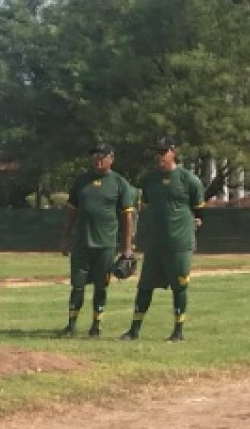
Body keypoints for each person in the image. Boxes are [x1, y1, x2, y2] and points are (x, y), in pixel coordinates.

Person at [120, 137, 205, 342]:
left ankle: (178, 331)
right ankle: (134, 330)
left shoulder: (188, 179)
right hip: (155, 243)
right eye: (157, 152)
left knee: (179, 286)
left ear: (173, 152)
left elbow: (200, 210)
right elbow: (145, 205)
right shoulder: (149, 179)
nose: (159, 156)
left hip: (179, 243)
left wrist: (194, 226)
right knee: (145, 286)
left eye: (163, 152)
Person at [59, 143, 136, 338]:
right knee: (77, 284)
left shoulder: (119, 183)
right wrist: (65, 238)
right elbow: (71, 211)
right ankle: (71, 324)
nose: (97, 160)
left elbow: (127, 217)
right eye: (94, 156)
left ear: (111, 158)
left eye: (102, 156)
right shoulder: (81, 181)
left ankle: (96, 325)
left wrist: (127, 248)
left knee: (101, 286)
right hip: (82, 244)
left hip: (105, 245)